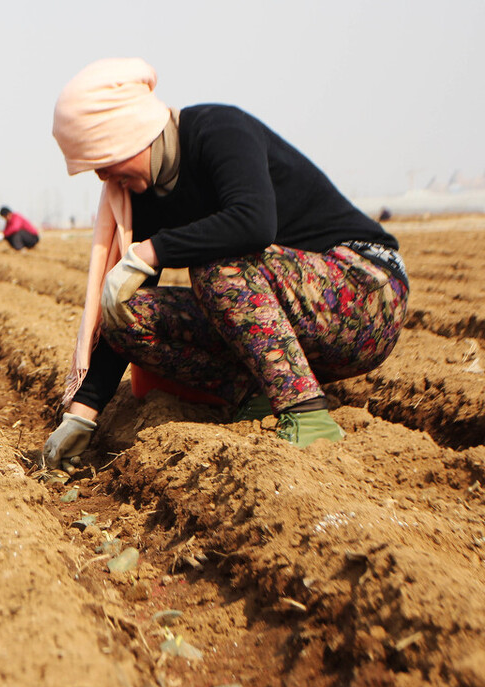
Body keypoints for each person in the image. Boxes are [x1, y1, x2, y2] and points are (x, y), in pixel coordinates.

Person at [42, 57, 407, 468]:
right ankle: (256, 396)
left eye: (101, 161)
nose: (103, 178)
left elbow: (254, 223)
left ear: (126, 135)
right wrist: (83, 414)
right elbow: (129, 307)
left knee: (216, 264)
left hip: (364, 296)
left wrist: (149, 251)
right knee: (124, 315)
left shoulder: (219, 130)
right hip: (292, 317)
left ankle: (306, 414)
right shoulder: (144, 194)